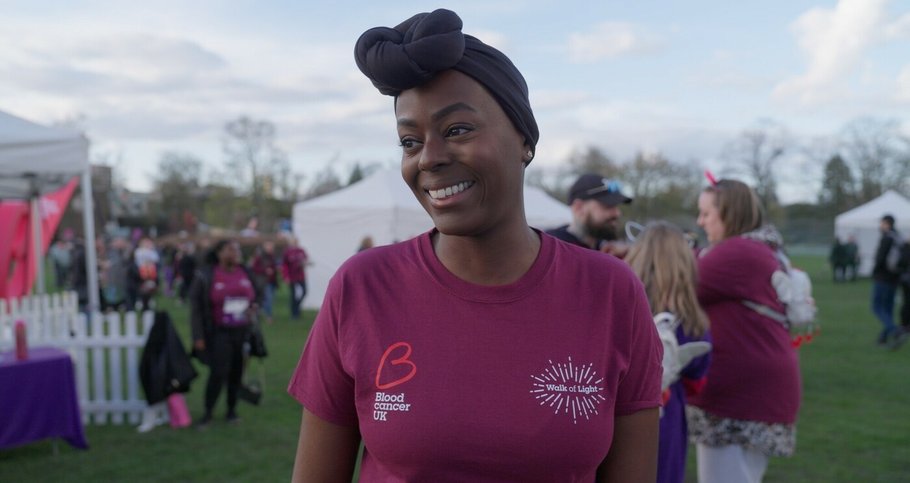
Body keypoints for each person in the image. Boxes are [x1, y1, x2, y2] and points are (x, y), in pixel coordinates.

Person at [288, 9, 663, 482]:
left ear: (524, 138)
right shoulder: (362, 288)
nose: (430, 158)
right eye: (409, 140)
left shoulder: (611, 293)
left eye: (458, 130)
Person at [686, 178, 801, 483]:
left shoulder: (738, 252)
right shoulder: (756, 249)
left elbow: (673, 285)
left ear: (730, 213)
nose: (701, 222)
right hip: (751, 389)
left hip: (740, 396)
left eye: (707, 213)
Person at [625, 222, 711, 483]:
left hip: (618, 407)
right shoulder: (692, 319)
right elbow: (698, 381)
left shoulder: (618, 303)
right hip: (666, 410)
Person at [190, 239, 260, 427]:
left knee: (237, 373)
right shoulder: (207, 275)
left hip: (242, 331)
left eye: (237, 249)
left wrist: (254, 308)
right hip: (218, 332)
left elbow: (256, 296)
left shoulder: (245, 272)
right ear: (219, 253)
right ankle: (207, 413)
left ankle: (231, 411)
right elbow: (196, 308)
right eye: (231, 249)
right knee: (218, 372)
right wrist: (198, 336)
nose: (236, 252)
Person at [546, 173, 632, 256]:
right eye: (608, 206)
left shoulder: (608, 250)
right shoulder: (550, 248)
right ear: (578, 208)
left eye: (616, 206)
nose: (617, 213)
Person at [871, 214, 903, 347]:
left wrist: (874, 272)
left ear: (887, 223)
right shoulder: (899, 237)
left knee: (877, 307)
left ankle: (894, 330)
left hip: (883, 277)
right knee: (888, 308)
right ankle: (883, 338)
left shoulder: (887, 238)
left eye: (882, 223)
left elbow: (880, 258)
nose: (880, 226)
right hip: (895, 278)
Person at [250, 241, 280, 323]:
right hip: (264, 282)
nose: (271, 249)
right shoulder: (259, 257)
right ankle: (268, 316)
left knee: (268, 299)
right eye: (269, 247)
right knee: (268, 299)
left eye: (272, 247)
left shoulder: (272, 257)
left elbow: (274, 269)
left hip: (272, 281)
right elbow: (254, 268)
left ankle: (261, 313)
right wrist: (264, 270)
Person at [281, 236, 310, 320]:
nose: (295, 243)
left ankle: (297, 307)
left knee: (304, 292)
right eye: (293, 241)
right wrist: (286, 276)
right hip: (292, 276)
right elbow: (284, 265)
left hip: (301, 276)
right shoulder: (287, 252)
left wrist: (305, 263)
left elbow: (306, 260)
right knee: (293, 295)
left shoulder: (301, 251)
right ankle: (294, 314)